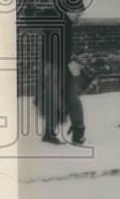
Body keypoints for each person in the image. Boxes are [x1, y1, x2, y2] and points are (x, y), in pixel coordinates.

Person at [35, 8, 87, 145]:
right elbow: (54, 47)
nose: (79, 17)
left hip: (63, 65)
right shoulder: (58, 20)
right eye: (78, 13)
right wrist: (69, 59)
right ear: (70, 10)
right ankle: (71, 132)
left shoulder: (65, 21)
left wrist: (71, 58)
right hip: (54, 66)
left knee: (70, 97)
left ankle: (75, 131)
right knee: (56, 99)